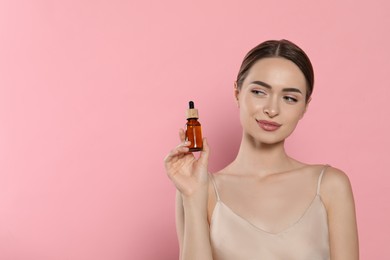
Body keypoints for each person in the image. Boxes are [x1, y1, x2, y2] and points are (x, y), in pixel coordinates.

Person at [164, 39, 359, 260]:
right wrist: (192, 196)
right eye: (259, 92)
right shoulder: (199, 190)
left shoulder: (330, 186)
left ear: (305, 106)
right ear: (237, 92)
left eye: (289, 98)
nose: (272, 109)